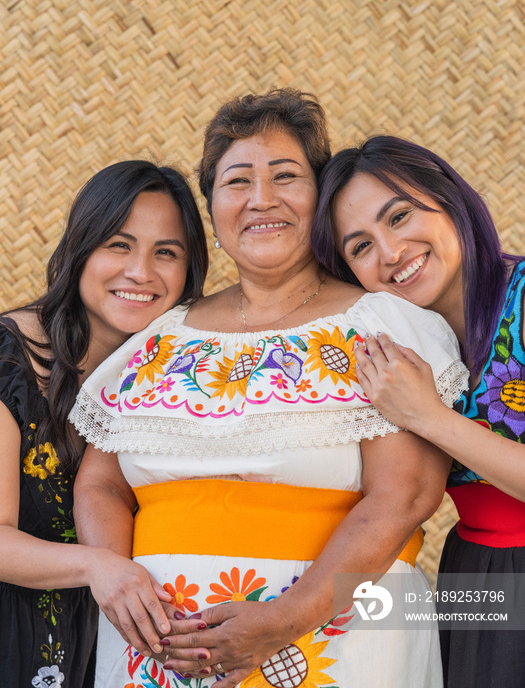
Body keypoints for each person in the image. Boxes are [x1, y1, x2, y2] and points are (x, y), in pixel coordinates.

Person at [71, 90, 468, 688]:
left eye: (286, 176)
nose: (262, 200)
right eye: (237, 182)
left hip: (337, 643)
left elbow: (405, 495)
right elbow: (101, 482)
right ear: (212, 206)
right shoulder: (156, 339)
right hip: (157, 655)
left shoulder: (381, 324)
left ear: (321, 197)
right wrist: (122, 590)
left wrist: (285, 619)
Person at [311, 134, 525, 688]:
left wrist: (430, 417)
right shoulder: (399, 352)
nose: (390, 253)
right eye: (360, 246)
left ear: (448, 198)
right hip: (477, 584)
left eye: (400, 216)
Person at [0, 159, 208, 687]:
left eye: (166, 253)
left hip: (111, 653)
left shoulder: (176, 379)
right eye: (119, 244)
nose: (141, 271)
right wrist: (97, 565)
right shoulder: (11, 359)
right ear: (80, 249)